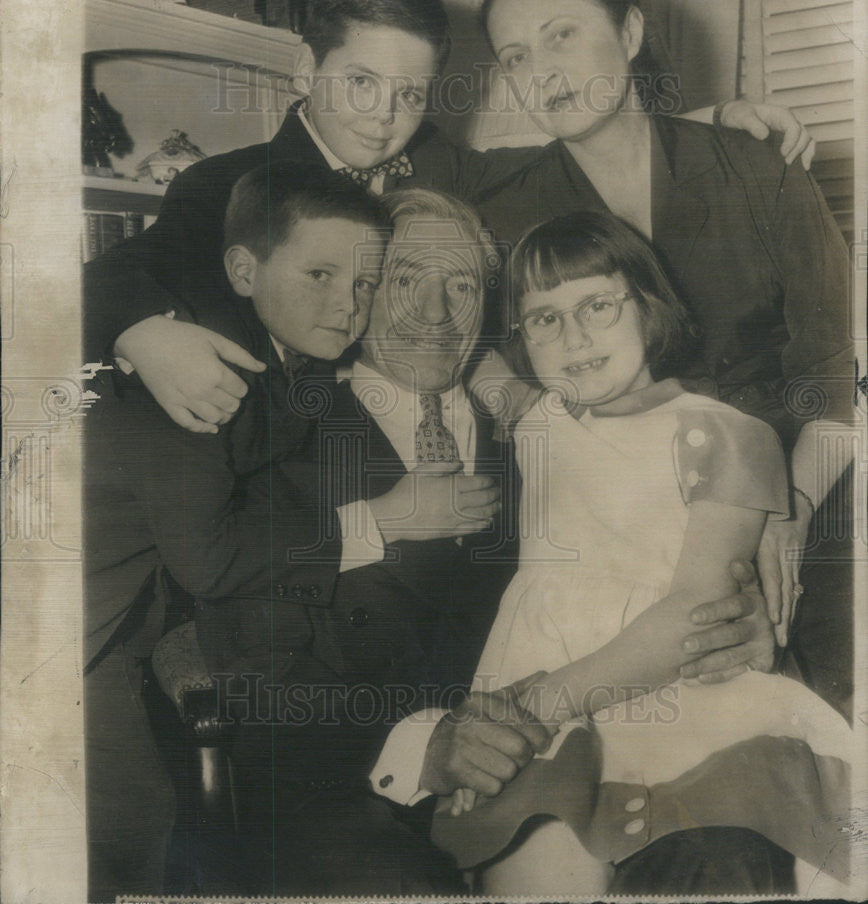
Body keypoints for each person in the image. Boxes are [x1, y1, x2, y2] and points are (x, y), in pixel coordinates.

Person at [193, 188, 778, 897]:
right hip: (353, 782)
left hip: (575, 748)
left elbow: (674, 522)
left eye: (462, 285)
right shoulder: (281, 435)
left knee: (720, 861)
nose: (436, 314)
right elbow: (248, 662)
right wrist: (427, 747)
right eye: (406, 280)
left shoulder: (545, 428)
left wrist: (751, 618)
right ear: (364, 291)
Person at [83, 0, 813, 439]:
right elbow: (109, 274)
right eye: (360, 82)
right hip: (277, 463)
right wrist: (143, 332)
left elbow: (562, 149)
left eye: (409, 94)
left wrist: (711, 121)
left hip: (417, 442)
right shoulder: (229, 182)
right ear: (307, 69)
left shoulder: (432, 163)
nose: (382, 115)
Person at [470, 0, 854, 707]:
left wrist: (791, 514)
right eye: (515, 56)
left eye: (562, 35)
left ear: (632, 32)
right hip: (619, 509)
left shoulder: (759, 169)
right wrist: (519, 408)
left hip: (797, 477)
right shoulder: (506, 207)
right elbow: (458, 330)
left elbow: (833, 379)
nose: (541, 70)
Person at [431, 212, 851, 898]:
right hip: (538, 716)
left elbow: (694, 614)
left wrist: (540, 703)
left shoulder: (728, 434)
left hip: (670, 700)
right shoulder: (540, 422)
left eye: (598, 304)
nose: (574, 337)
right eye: (544, 319)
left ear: (649, 304)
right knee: (534, 866)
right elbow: (457, 334)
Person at [84, 166, 396, 900]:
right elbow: (213, 560)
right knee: (123, 834)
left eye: (364, 284)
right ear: (242, 270)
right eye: (319, 273)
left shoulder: (269, 350)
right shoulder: (204, 358)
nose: (346, 305)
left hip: (111, 631)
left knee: (133, 828)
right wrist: (386, 518)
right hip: (66, 625)